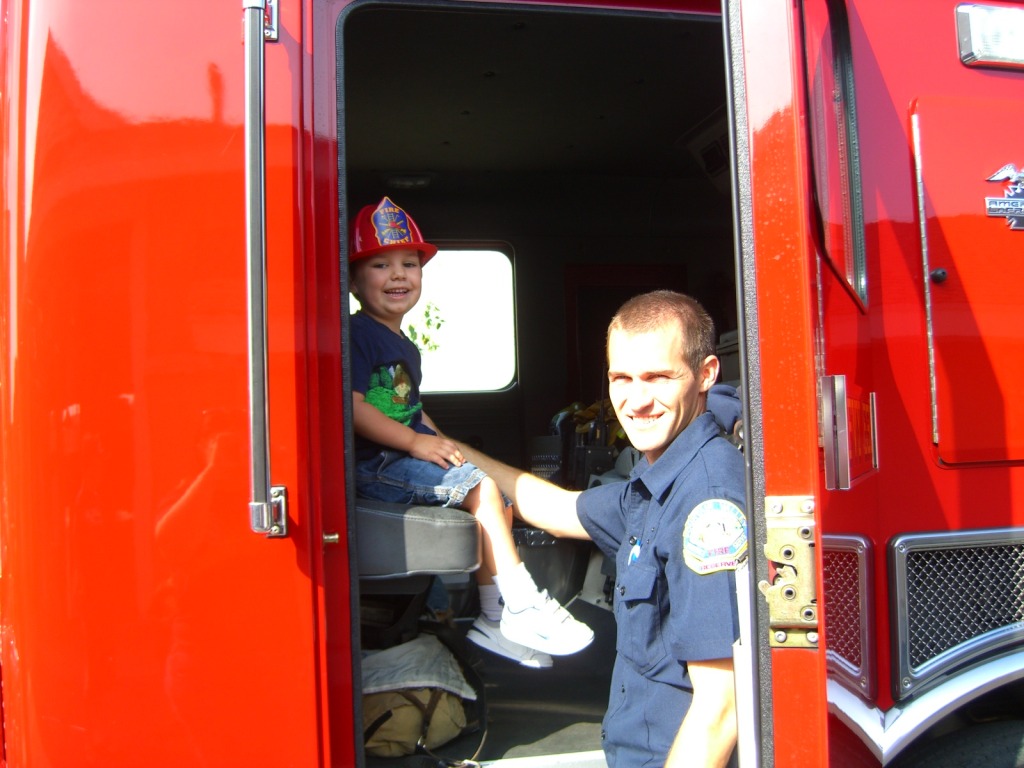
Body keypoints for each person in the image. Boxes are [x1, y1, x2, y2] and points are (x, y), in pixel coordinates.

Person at [456, 290, 746, 768]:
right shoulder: (659, 479)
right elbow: (559, 508)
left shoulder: (706, 503)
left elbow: (720, 709)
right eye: (622, 378)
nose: (637, 400)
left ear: (706, 375)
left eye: (658, 377)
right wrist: (446, 449)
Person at [348, 197, 594, 669]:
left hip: (397, 460)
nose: (398, 275)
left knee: (494, 498)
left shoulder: (403, 344)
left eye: (409, 264)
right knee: (479, 488)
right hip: (373, 466)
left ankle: (493, 619)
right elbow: (354, 409)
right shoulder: (358, 334)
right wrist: (417, 444)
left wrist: (440, 443)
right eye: (380, 265)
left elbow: (411, 412)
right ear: (356, 281)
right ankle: (523, 602)